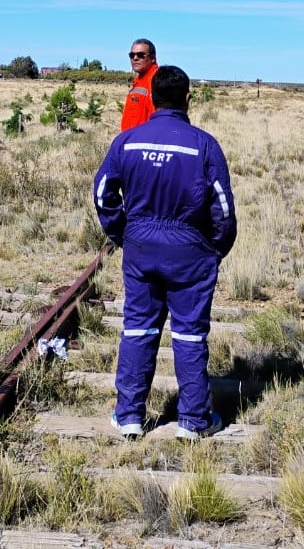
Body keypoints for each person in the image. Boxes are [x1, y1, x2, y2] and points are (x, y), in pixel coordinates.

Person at [94, 65, 237, 440]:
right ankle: (193, 421)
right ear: (188, 99)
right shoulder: (203, 145)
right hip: (190, 251)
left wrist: (121, 231)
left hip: (142, 248)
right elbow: (222, 207)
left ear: (152, 98)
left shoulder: (127, 142)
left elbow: (103, 193)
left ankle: (129, 416)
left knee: (138, 326)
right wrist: (215, 248)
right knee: (189, 334)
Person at [120, 38, 159, 131]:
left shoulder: (156, 81)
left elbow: (158, 120)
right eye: (131, 55)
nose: (135, 58)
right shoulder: (140, 81)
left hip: (142, 142)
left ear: (153, 58)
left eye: (141, 55)